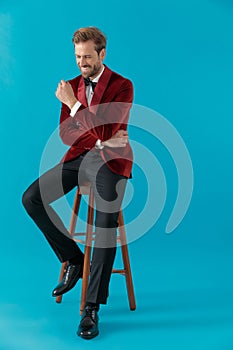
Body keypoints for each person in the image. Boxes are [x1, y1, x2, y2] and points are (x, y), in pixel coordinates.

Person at [22, 26, 133, 340]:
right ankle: (73, 258)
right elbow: (67, 135)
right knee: (31, 198)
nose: (82, 63)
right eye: (78, 57)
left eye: (87, 57)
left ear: (102, 54)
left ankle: (91, 308)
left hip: (113, 162)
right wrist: (99, 134)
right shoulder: (71, 85)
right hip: (80, 158)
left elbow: (104, 131)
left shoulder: (123, 86)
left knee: (106, 220)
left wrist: (74, 107)